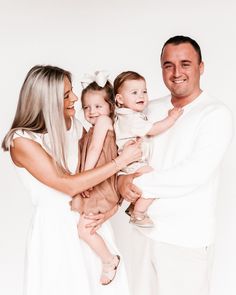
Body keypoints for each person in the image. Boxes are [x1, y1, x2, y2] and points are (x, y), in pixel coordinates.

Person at [1, 65, 141, 295]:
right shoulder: (22, 140)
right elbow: (69, 184)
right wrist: (122, 161)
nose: (75, 98)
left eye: (71, 91)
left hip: (90, 223)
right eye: (66, 95)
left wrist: (111, 210)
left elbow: (102, 172)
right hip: (55, 230)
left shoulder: (73, 126)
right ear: (45, 100)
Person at [117, 36, 233, 295]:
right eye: (168, 65)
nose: (176, 72)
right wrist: (119, 181)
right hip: (141, 235)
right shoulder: (148, 108)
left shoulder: (215, 113)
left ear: (201, 67)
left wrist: (133, 183)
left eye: (185, 64)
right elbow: (125, 151)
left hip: (185, 238)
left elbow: (193, 173)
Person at [71, 72, 122, 285]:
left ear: (110, 106)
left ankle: (109, 260)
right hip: (97, 183)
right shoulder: (93, 127)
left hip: (99, 185)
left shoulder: (103, 122)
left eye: (98, 106)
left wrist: (86, 179)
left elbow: (93, 151)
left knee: (84, 229)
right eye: (87, 107)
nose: (92, 112)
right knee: (83, 225)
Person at [113, 71, 183, 227]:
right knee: (156, 182)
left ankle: (133, 207)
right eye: (134, 92)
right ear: (120, 99)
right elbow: (153, 129)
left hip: (131, 162)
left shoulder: (127, 115)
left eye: (144, 91)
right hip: (132, 162)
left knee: (147, 184)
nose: (141, 96)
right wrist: (171, 117)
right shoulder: (130, 118)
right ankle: (138, 213)